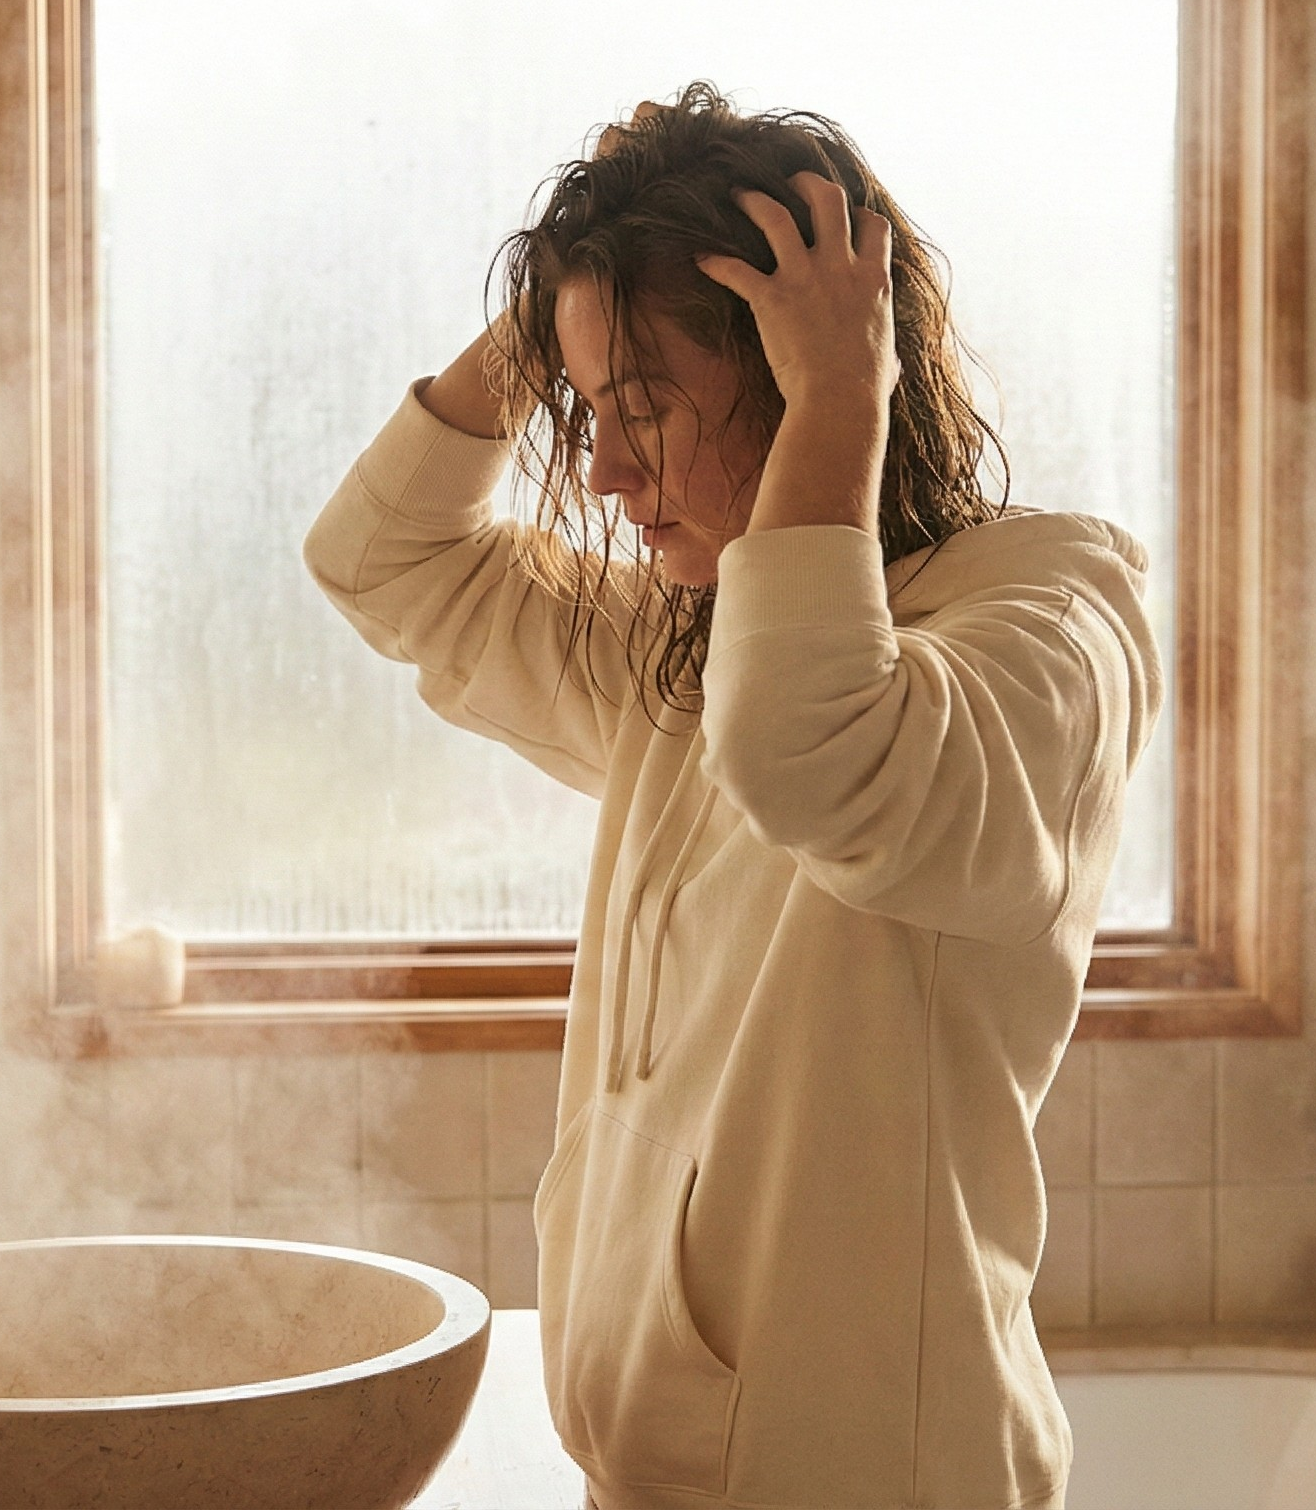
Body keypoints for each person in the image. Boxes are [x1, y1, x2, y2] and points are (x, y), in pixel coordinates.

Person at [307, 83, 1161, 1510]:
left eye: (641, 409)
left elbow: (824, 753)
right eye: (587, 410)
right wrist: (552, 325)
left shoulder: (1051, 617)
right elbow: (381, 565)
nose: (603, 470)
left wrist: (840, 399)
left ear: (809, 358)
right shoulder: (686, 648)